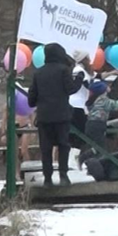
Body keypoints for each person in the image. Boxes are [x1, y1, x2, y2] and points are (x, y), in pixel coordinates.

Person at [27, 43, 86, 187]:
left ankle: (47, 178)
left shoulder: (38, 73)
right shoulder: (63, 70)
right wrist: (79, 78)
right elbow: (71, 89)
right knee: (63, 146)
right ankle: (63, 175)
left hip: (44, 117)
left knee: (46, 148)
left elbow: (31, 100)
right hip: (62, 116)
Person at [79, 79, 118, 166]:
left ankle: (92, 163)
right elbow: (116, 105)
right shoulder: (104, 100)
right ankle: (85, 158)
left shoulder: (93, 100)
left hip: (90, 124)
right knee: (100, 148)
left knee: (94, 145)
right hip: (98, 125)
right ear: (102, 91)